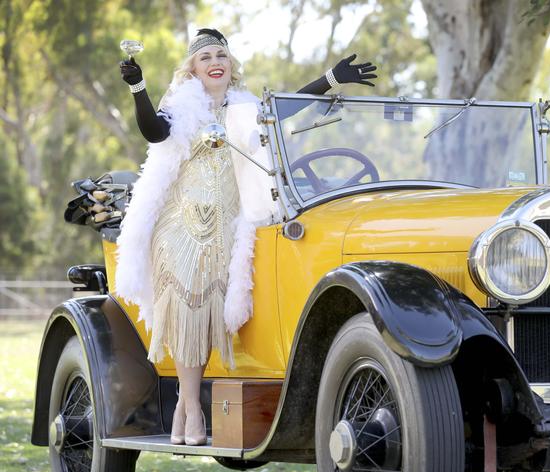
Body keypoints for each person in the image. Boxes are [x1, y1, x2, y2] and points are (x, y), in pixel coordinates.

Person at [115, 28, 377, 446]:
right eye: (205, 57)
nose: (215, 61)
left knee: (214, 312)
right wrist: (138, 87)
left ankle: (186, 407)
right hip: (181, 225)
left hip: (226, 227)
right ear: (193, 69)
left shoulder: (244, 108)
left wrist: (331, 77)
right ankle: (191, 408)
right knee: (189, 313)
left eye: (222, 54)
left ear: (230, 65)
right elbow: (155, 132)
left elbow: (284, 112)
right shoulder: (179, 105)